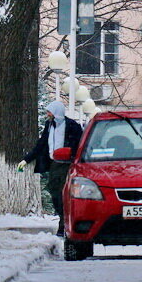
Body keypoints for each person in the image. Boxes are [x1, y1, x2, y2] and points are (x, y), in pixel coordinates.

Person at [18, 100, 82, 235]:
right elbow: (41, 144)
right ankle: (63, 217)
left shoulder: (72, 126)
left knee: (63, 192)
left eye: (49, 111)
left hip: (67, 165)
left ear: (56, 112)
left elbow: (80, 144)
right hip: (54, 164)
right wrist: (27, 159)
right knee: (54, 192)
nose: (47, 114)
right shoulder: (49, 125)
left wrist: (72, 157)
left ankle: (63, 222)